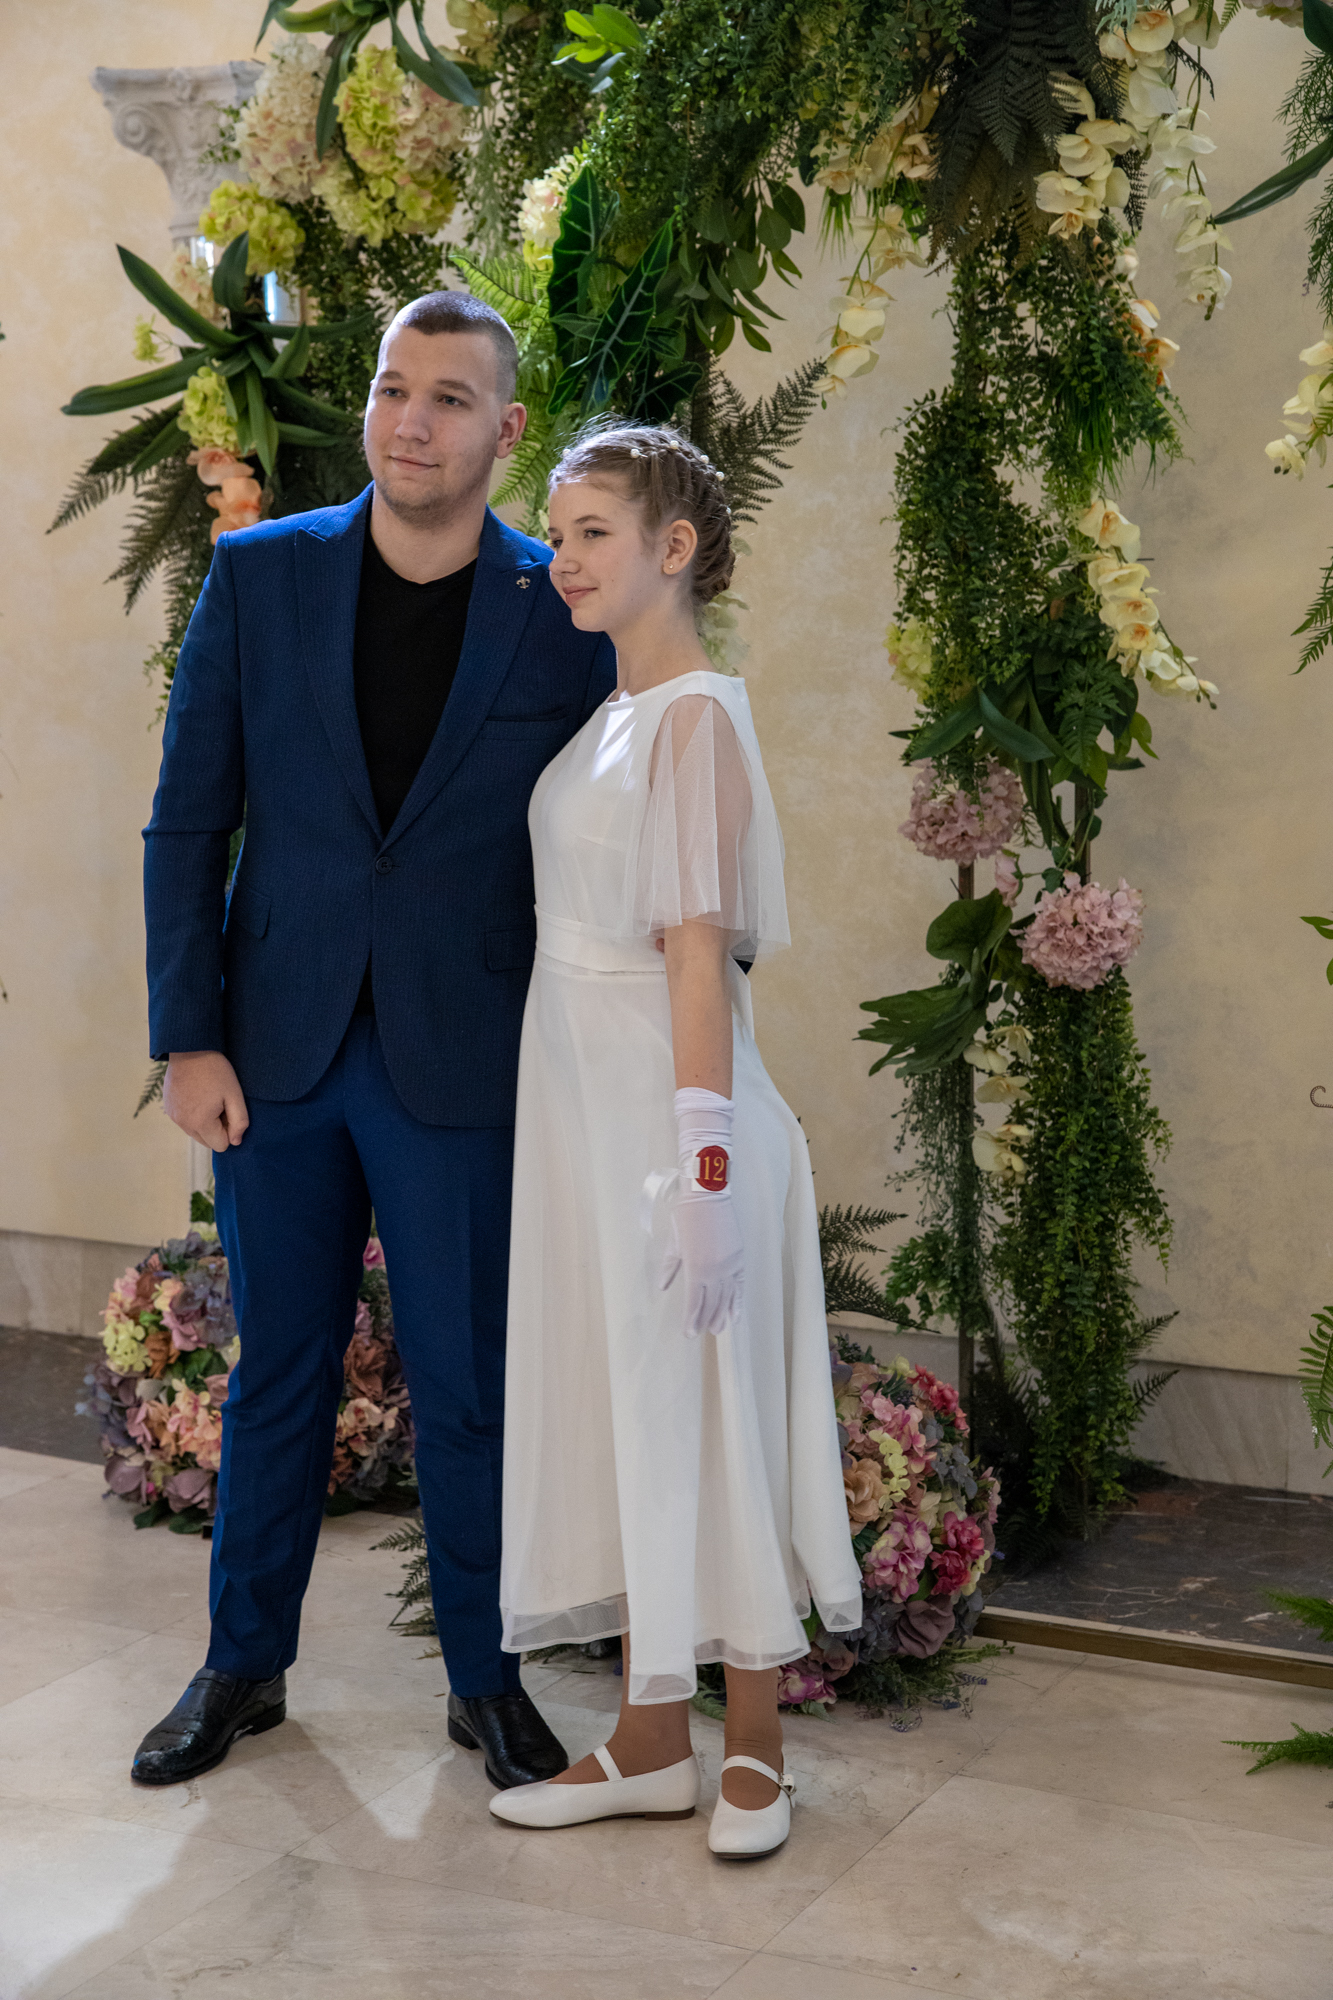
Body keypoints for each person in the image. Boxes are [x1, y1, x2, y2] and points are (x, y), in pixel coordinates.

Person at [131, 293, 614, 1791]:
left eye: (449, 399)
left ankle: (486, 1682)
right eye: (396, 390)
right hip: (273, 1052)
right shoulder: (259, 575)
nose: (412, 422)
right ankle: (241, 1667)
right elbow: (189, 818)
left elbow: (608, 836)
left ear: (505, 430)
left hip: (469, 1056)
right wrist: (186, 1037)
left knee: (468, 1385)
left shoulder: (561, 608)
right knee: (277, 1370)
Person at [488, 424, 862, 1859]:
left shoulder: (694, 715)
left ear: (674, 546)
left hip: (672, 1124)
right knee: (626, 1405)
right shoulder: (615, 713)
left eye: (591, 531)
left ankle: (754, 1745)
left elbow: (697, 955)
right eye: (557, 533)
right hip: (584, 1122)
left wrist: (703, 1167)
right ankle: (650, 1742)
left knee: (707, 1409)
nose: (562, 558)